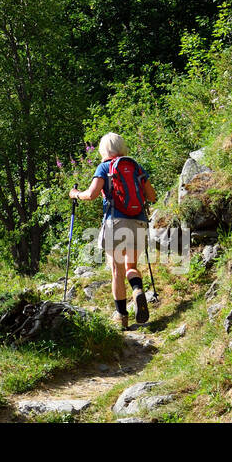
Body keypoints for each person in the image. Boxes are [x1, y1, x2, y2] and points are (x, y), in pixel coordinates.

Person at [70, 132, 158, 329]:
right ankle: (137, 290)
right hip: (138, 222)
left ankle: (121, 316)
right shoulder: (135, 166)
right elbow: (152, 196)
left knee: (117, 270)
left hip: (115, 222)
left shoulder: (104, 167)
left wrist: (76, 194)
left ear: (104, 149)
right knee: (131, 266)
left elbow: (92, 194)